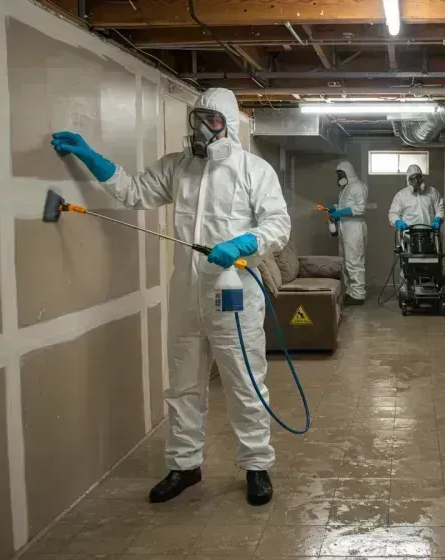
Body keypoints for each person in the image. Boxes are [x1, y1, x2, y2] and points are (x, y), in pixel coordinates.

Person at [50, 88, 290, 506]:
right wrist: (91, 158)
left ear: (228, 125)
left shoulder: (255, 170)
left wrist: (243, 242)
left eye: (211, 120)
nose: (201, 129)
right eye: (197, 119)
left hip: (233, 292)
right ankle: (185, 465)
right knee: (182, 385)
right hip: (185, 292)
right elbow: (133, 192)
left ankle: (256, 466)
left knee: (244, 383)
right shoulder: (177, 168)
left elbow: (278, 224)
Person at [326, 161, 368, 305]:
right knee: (345, 261)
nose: (339, 177)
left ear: (348, 173)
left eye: (341, 174)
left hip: (354, 228)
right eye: (338, 175)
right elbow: (346, 205)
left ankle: (359, 294)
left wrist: (339, 212)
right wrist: (335, 209)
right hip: (345, 227)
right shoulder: (345, 189)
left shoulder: (357, 187)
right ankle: (351, 291)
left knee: (354, 260)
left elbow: (360, 208)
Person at [388, 164, 445, 232]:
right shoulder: (401, 195)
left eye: (418, 177)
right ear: (408, 180)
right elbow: (393, 213)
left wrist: (437, 220)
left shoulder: (432, 192)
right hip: (409, 235)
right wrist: (397, 221)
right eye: (412, 178)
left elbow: (440, 208)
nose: (416, 181)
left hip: (430, 233)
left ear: (422, 178)